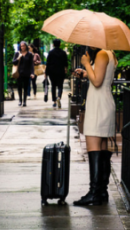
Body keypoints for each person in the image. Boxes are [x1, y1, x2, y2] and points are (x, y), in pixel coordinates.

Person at [72, 47, 118, 206]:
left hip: (98, 103)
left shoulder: (101, 54)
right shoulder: (110, 53)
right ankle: (101, 192)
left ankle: (94, 192)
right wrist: (86, 73)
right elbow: (101, 78)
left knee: (93, 146)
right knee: (102, 146)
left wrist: (86, 64)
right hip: (105, 101)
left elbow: (97, 81)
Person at [45, 39, 68, 109]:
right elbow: (65, 62)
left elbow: (48, 63)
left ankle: (54, 101)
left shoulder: (51, 52)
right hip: (60, 71)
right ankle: (59, 97)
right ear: (60, 44)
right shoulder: (63, 52)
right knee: (60, 85)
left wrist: (46, 72)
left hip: (52, 72)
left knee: (53, 86)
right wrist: (65, 69)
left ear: (53, 45)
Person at [12, 41, 34, 107]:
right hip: (19, 73)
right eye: (21, 46)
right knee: (19, 87)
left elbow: (31, 65)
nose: (23, 47)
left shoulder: (29, 54)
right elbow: (14, 62)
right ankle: (20, 100)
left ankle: (24, 101)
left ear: (26, 46)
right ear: (20, 47)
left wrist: (32, 73)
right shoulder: (17, 53)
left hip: (26, 73)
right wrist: (18, 58)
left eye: (24, 46)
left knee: (25, 88)